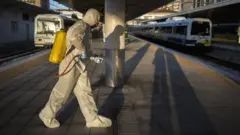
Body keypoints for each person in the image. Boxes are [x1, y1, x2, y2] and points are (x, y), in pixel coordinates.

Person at [39, 8, 112, 128]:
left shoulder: (85, 27)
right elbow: (73, 37)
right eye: (97, 18)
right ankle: (46, 115)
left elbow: (82, 46)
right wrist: (82, 50)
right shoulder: (81, 25)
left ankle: (92, 118)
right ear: (92, 17)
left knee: (85, 92)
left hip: (79, 64)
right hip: (71, 64)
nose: (97, 21)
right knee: (62, 92)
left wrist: (92, 57)